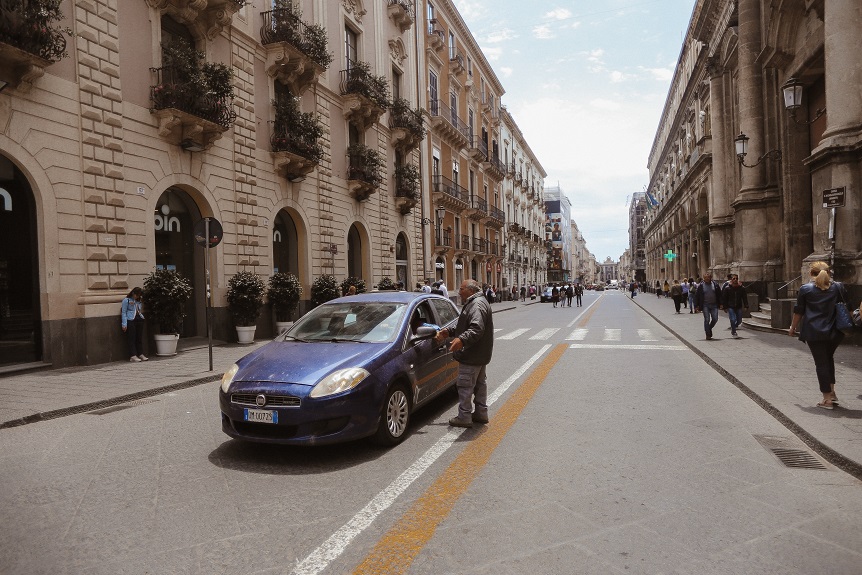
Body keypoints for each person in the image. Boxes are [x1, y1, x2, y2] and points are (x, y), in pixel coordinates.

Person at [788, 261, 849, 410]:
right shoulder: (839, 287)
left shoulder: (805, 289)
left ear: (811, 273)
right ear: (828, 272)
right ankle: (832, 393)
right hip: (836, 332)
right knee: (828, 359)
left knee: (821, 363)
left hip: (814, 332)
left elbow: (799, 311)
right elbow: (848, 305)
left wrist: (792, 327)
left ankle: (827, 399)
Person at [435, 279, 493, 427]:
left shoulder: (476, 305)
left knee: (465, 386)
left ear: (471, 291)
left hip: (472, 354)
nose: (459, 292)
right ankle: (481, 413)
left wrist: (461, 340)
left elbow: (476, 328)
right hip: (479, 354)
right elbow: (464, 325)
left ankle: (464, 416)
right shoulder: (477, 302)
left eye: (461, 289)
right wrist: (449, 331)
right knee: (480, 385)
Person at [121, 287, 148, 362]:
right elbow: (123, 312)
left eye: (139, 295)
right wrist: (124, 324)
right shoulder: (126, 300)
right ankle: (133, 355)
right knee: (132, 338)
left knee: (139, 338)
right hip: (130, 320)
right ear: (133, 293)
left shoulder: (138, 301)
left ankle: (140, 353)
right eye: (137, 295)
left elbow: (139, 310)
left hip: (139, 319)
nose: (138, 297)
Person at [694, 271, 722, 340]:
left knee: (715, 319)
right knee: (707, 319)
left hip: (714, 304)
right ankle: (708, 334)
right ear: (703, 278)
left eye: (708, 277)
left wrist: (721, 303)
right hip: (705, 305)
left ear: (710, 278)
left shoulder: (715, 284)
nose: (707, 279)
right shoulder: (701, 286)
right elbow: (697, 296)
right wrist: (696, 306)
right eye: (705, 278)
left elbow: (719, 295)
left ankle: (708, 328)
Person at [721, 274, 748, 338]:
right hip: (731, 306)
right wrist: (724, 307)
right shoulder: (727, 288)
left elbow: (744, 297)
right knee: (732, 319)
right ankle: (734, 332)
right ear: (731, 280)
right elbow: (724, 298)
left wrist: (746, 305)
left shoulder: (741, 288)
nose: (735, 280)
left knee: (739, 320)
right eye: (734, 278)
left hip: (738, 306)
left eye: (736, 278)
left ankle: (734, 326)